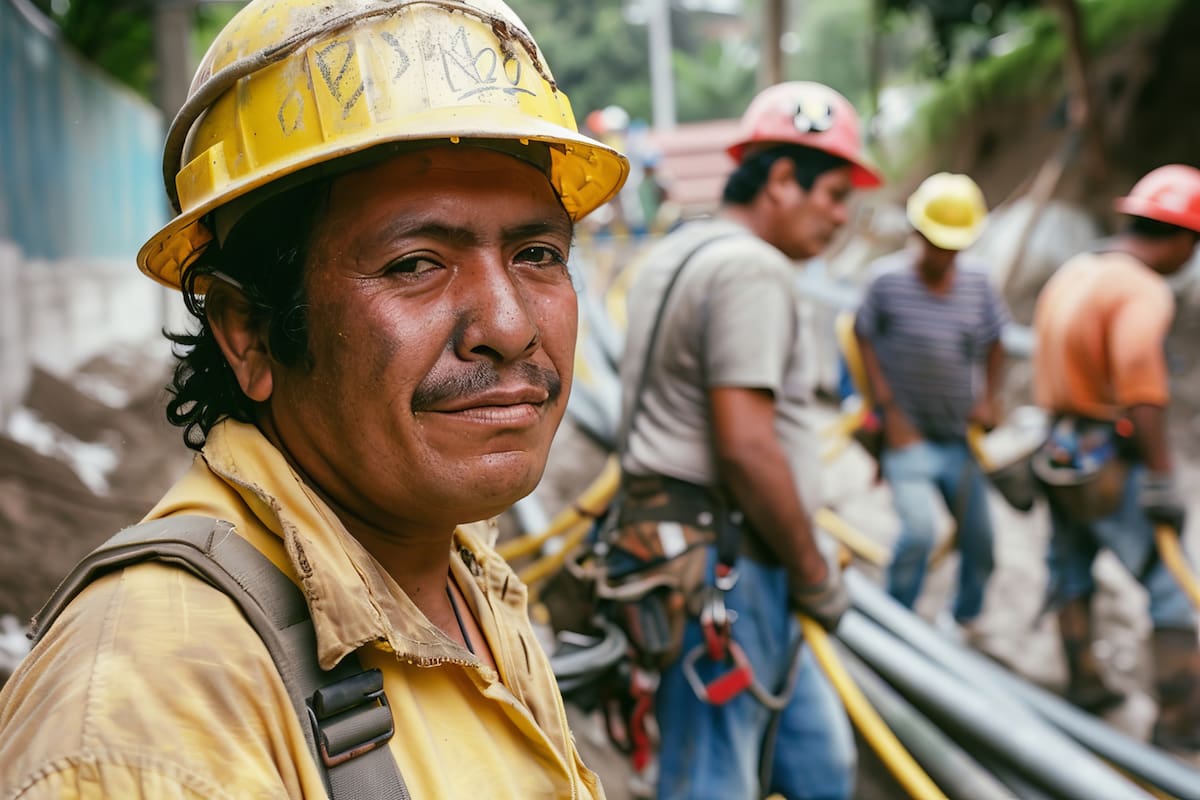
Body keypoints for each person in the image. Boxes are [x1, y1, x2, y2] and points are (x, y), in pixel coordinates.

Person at [0, 1, 629, 797]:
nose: (509, 327)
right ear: (250, 333)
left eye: (537, 253)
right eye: (415, 264)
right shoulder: (148, 719)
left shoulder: (457, 566)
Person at [616, 81, 881, 800]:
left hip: (708, 555)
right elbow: (746, 448)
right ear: (782, 178)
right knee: (712, 780)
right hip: (728, 568)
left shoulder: (678, 252)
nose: (841, 217)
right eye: (834, 194)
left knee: (820, 766)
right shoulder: (752, 269)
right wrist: (814, 573)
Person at [1031, 164, 1200, 751]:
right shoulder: (1141, 289)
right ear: (1179, 238)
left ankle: (1083, 679)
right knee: (1171, 584)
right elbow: (1140, 386)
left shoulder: (1077, 271)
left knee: (1070, 566)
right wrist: (1161, 478)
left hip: (1059, 451)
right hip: (1108, 458)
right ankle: (1179, 719)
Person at [854, 172, 1008, 635]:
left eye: (953, 247)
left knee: (980, 541)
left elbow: (996, 341)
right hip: (907, 434)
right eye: (936, 244)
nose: (944, 255)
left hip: (958, 436)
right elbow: (861, 337)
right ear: (916, 233)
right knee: (919, 533)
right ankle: (894, 624)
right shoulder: (885, 283)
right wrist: (886, 407)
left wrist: (989, 399)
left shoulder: (979, 283)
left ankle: (963, 619)